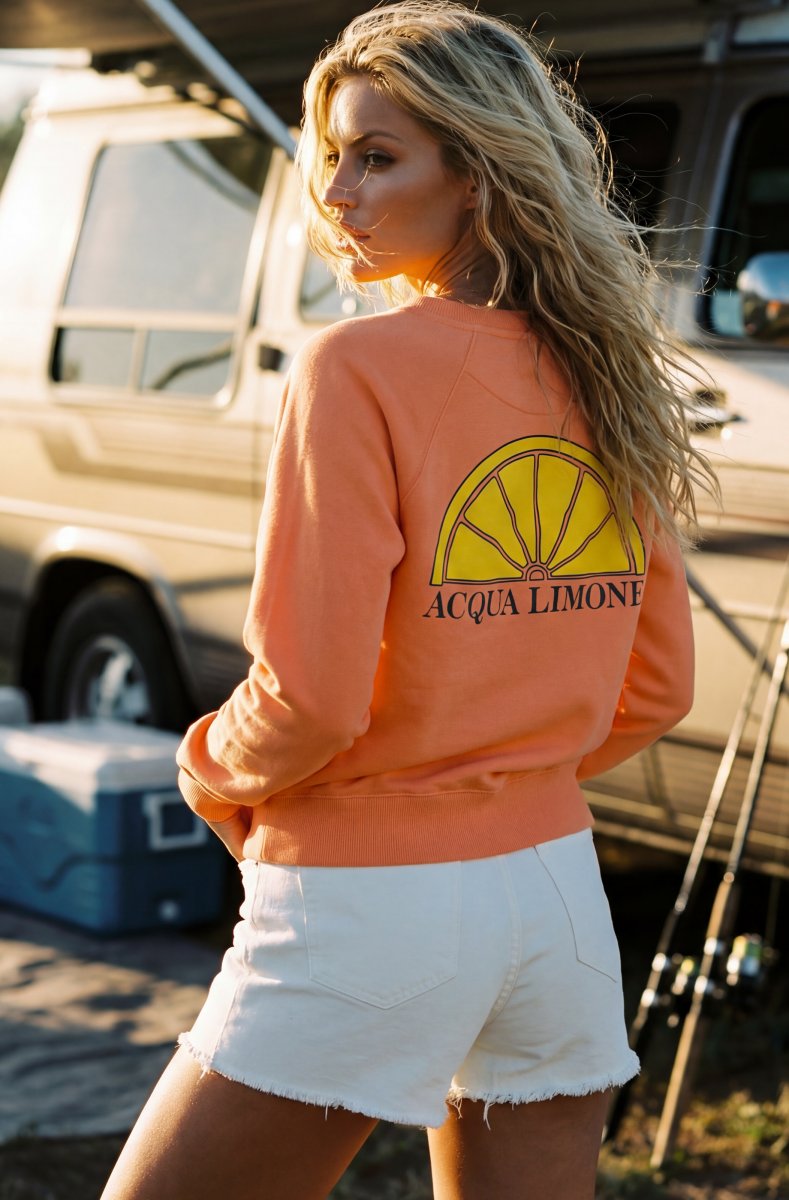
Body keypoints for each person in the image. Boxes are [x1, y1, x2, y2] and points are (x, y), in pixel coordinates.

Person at [100, 3, 716, 1198]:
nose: (336, 192)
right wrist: (503, 775)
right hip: (557, 898)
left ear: (477, 174)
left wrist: (208, 770)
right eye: (332, 154)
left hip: (371, 902)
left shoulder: (353, 368)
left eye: (377, 157)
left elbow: (311, 701)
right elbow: (658, 689)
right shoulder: (604, 367)